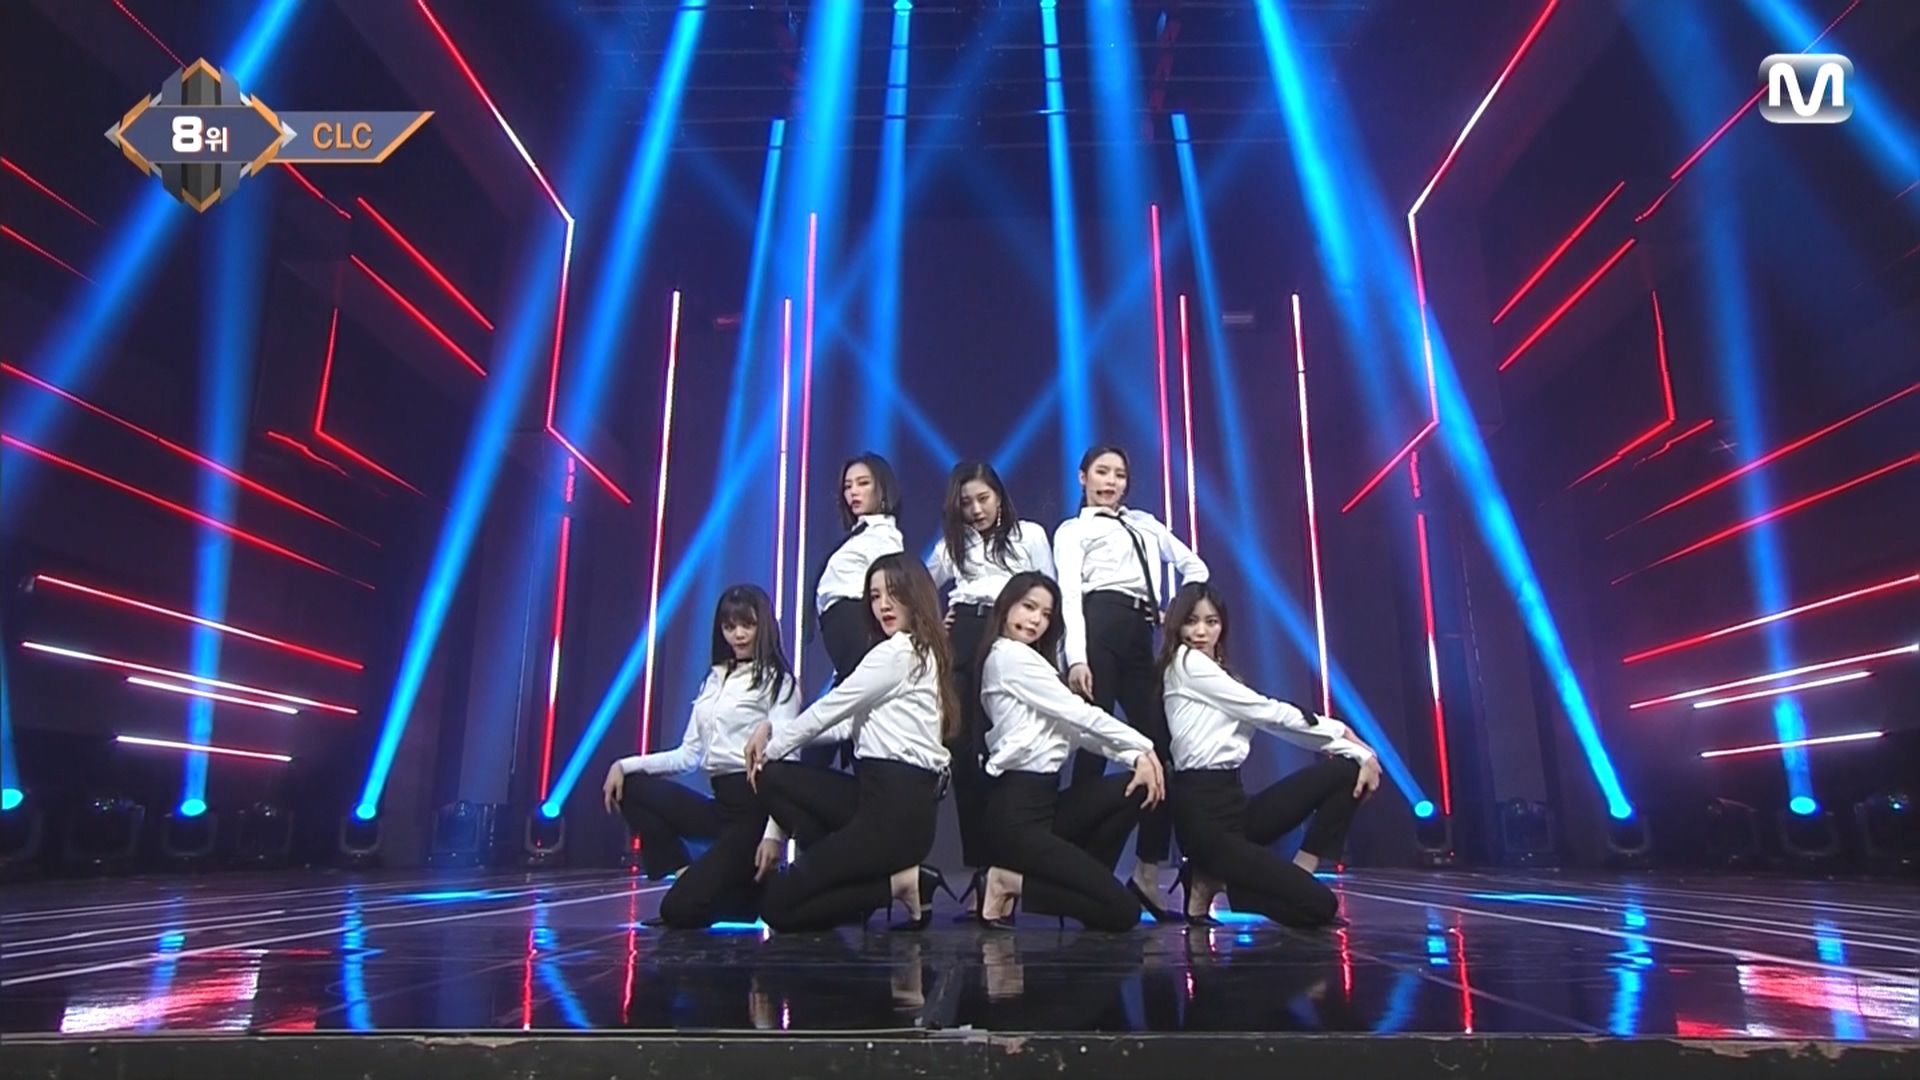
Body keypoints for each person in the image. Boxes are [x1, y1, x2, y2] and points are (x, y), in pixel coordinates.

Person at [745, 554, 959, 932]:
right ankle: (843, 870)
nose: (883, 605)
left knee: (777, 907)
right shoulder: (923, 652)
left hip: (894, 814)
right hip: (883, 802)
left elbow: (832, 709)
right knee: (776, 778)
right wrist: (773, 733)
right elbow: (845, 726)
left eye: (894, 593)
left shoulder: (898, 654)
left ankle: (901, 885)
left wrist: (771, 750)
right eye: (875, 596)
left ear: (916, 595)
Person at [1159, 582, 1381, 928]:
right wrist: (1342, 733)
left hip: (1234, 804)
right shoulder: (1187, 663)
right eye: (1191, 621)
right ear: (1177, 625)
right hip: (1204, 820)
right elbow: (1266, 712)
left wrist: (1353, 751)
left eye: (1211, 622)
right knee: (1320, 907)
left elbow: (1274, 723)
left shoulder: (1219, 672)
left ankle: (1296, 875)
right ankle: (1219, 880)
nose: (1201, 632)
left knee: (1345, 771)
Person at [1053, 444, 1207, 917]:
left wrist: (1174, 613)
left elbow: (1196, 568)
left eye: (1119, 474)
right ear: (1083, 477)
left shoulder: (1145, 524)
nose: (1111, 481)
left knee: (1162, 750)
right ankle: (1080, 874)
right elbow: (1069, 595)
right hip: (1098, 626)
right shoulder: (1073, 530)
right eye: (1102, 472)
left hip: (1142, 633)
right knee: (1093, 753)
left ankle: (1146, 872)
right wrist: (1076, 658)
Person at [975, 572, 1164, 932]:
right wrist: (1145, 746)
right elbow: (1081, 714)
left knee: (1138, 786)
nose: (1036, 620)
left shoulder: (1035, 664)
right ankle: (1005, 882)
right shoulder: (1008, 657)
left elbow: (1079, 734)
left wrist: (1135, 758)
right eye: (1029, 607)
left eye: (1046, 614)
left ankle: (1089, 886)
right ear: (1006, 606)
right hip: (1016, 816)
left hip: (1048, 806)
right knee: (1124, 912)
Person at [601, 585, 798, 929]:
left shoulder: (779, 682)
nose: (738, 634)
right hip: (720, 806)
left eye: (747, 625)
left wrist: (773, 835)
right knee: (631, 786)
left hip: (754, 810)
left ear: (763, 626)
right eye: (729, 626)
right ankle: (685, 873)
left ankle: (748, 897)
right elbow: (688, 755)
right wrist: (623, 765)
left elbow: (788, 763)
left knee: (677, 911)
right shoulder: (714, 679)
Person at [926, 462, 1055, 910]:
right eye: (966, 503)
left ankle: (1006, 868)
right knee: (961, 752)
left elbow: (1049, 593)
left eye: (983, 499)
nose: (976, 510)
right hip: (964, 633)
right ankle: (981, 871)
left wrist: (1055, 659)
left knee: (1003, 751)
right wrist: (936, 622)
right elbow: (919, 585)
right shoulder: (953, 544)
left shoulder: (1030, 535)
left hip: (1007, 636)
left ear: (999, 495)